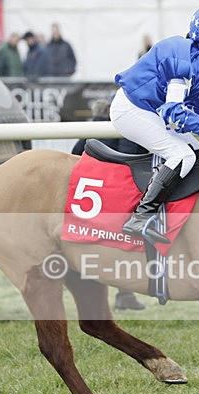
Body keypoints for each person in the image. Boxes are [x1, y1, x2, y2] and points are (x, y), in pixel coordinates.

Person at [109, 1, 199, 244]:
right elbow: (174, 112)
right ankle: (141, 217)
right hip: (132, 109)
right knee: (183, 156)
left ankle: (183, 219)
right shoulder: (183, 59)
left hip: (152, 110)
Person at [71, 98, 149, 311]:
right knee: (123, 241)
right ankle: (125, 294)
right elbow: (129, 157)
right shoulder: (122, 126)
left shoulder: (93, 128)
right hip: (112, 190)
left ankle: (121, 294)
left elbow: (76, 153)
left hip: (87, 190)